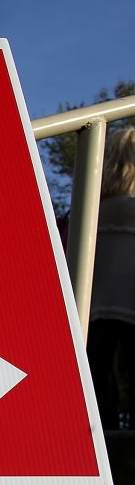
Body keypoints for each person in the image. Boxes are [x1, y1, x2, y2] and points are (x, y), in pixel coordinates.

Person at [87, 128, 135, 430]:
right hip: (131, 299)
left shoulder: (93, 204)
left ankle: (103, 436)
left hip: (94, 302)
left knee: (97, 373)